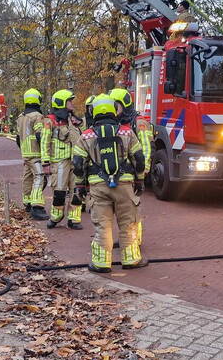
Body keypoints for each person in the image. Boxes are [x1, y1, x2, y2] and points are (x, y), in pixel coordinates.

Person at [72, 95, 148, 273]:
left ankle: (101, 263)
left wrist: (79, 186)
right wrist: (140, 180)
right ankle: (130, 259)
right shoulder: (127, 132)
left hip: (98, 187)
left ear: (94, 111)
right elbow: (139, 159)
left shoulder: (86, 136)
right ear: (114, 110)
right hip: (124, 185)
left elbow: (77, 164)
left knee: (103, 226)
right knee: (128, 223)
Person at [109, 87, 153, 247]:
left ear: (124, 105)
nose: (113, 110)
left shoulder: (139, 123)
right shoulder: (117, 123)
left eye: (116, 106)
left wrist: (143, 171)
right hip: (123, 173)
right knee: (122, 209)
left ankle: (135, 240)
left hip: (135, 172)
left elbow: (146, 149)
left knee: (133, 209)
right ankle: (124, 237)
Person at [41, 89, 83, 229]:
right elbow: (44, 142)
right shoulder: (50, 121)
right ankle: (56, 217)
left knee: (76, 190)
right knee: (59, 191)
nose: (72, 104)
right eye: (69, 101)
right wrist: (45, 163)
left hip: (75, 161)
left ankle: (74, 219)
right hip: (59, 162)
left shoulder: (74, 120)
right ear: (61, 103)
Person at [16, 88, 48, 220]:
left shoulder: (20, 117)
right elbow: (41, 135)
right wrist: (46, 153)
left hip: (26, 153)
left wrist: (23, 152)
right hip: (35, 154)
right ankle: (37, 207)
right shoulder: (37, 116)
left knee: (27, 178)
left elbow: (18, 138)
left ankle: (28, 203)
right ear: (37, 100)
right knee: (39, 177)